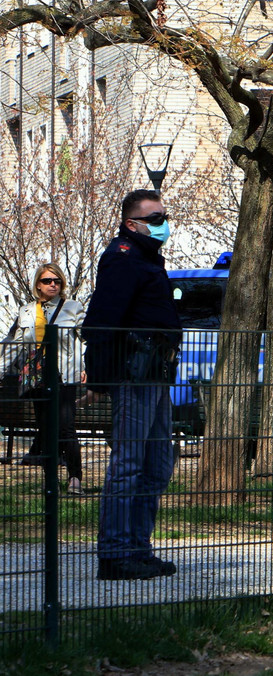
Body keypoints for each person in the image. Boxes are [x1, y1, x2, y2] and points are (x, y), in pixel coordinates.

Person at [81, 189, 182, 581]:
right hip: (134, 374)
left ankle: (138, 547)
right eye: (154, 217)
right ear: (132, 224)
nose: (162, 223)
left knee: (157, 465)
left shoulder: (147, 257)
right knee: (128, 463)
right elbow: (101, 321)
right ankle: (115, 553)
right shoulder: (122, 258)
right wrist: (101, 378)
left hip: (156, 373)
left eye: (163, 215)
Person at [3, 263, 87, 494]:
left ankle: (74, 478)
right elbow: (16, 345)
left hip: (64, 375)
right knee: (46, 428)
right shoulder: (27, 311)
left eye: (57, 281)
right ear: (37, 285)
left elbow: (86, 339)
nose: (53, 285)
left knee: (66, 427)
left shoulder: (73, 308)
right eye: (48, 281)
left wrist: (86, 366)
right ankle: (50, 480)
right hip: (37, 376)